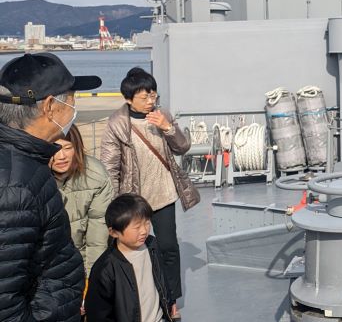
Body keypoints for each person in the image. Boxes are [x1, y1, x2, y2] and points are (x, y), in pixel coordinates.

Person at [0, 52, 101, 321]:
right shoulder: (16, 183)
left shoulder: (24, 161)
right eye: (71, 99)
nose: (73, 108)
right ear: (49, 106)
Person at [100, 68, 198, 321]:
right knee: (132, 249)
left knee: (168, 247)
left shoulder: (162, 115)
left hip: (164, 192)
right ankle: (131, 297)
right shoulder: (117, 124)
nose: (150, 102)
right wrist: (115, 202)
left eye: (153, 95)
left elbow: (182, 147)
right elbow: (110, 166)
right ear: (128, 98)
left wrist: (167, 127)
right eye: (144, 97)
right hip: (135, 199)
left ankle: (171, 299)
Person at [85, 194, 172, 322]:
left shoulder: (151, 245)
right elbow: (98, 313)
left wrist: (170, 302)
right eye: (137, 227)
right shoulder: (105, 268)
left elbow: (161, 279)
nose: (144, 231)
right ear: (114, 232)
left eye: (147, 223)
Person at [50, 124, 114, 277]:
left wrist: (92, 276)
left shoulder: (96, 175)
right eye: (54, 148)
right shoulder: (31, 175)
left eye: (67, 148)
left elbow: (97, 237)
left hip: (79, 262)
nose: (61, 156)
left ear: (77, 147)